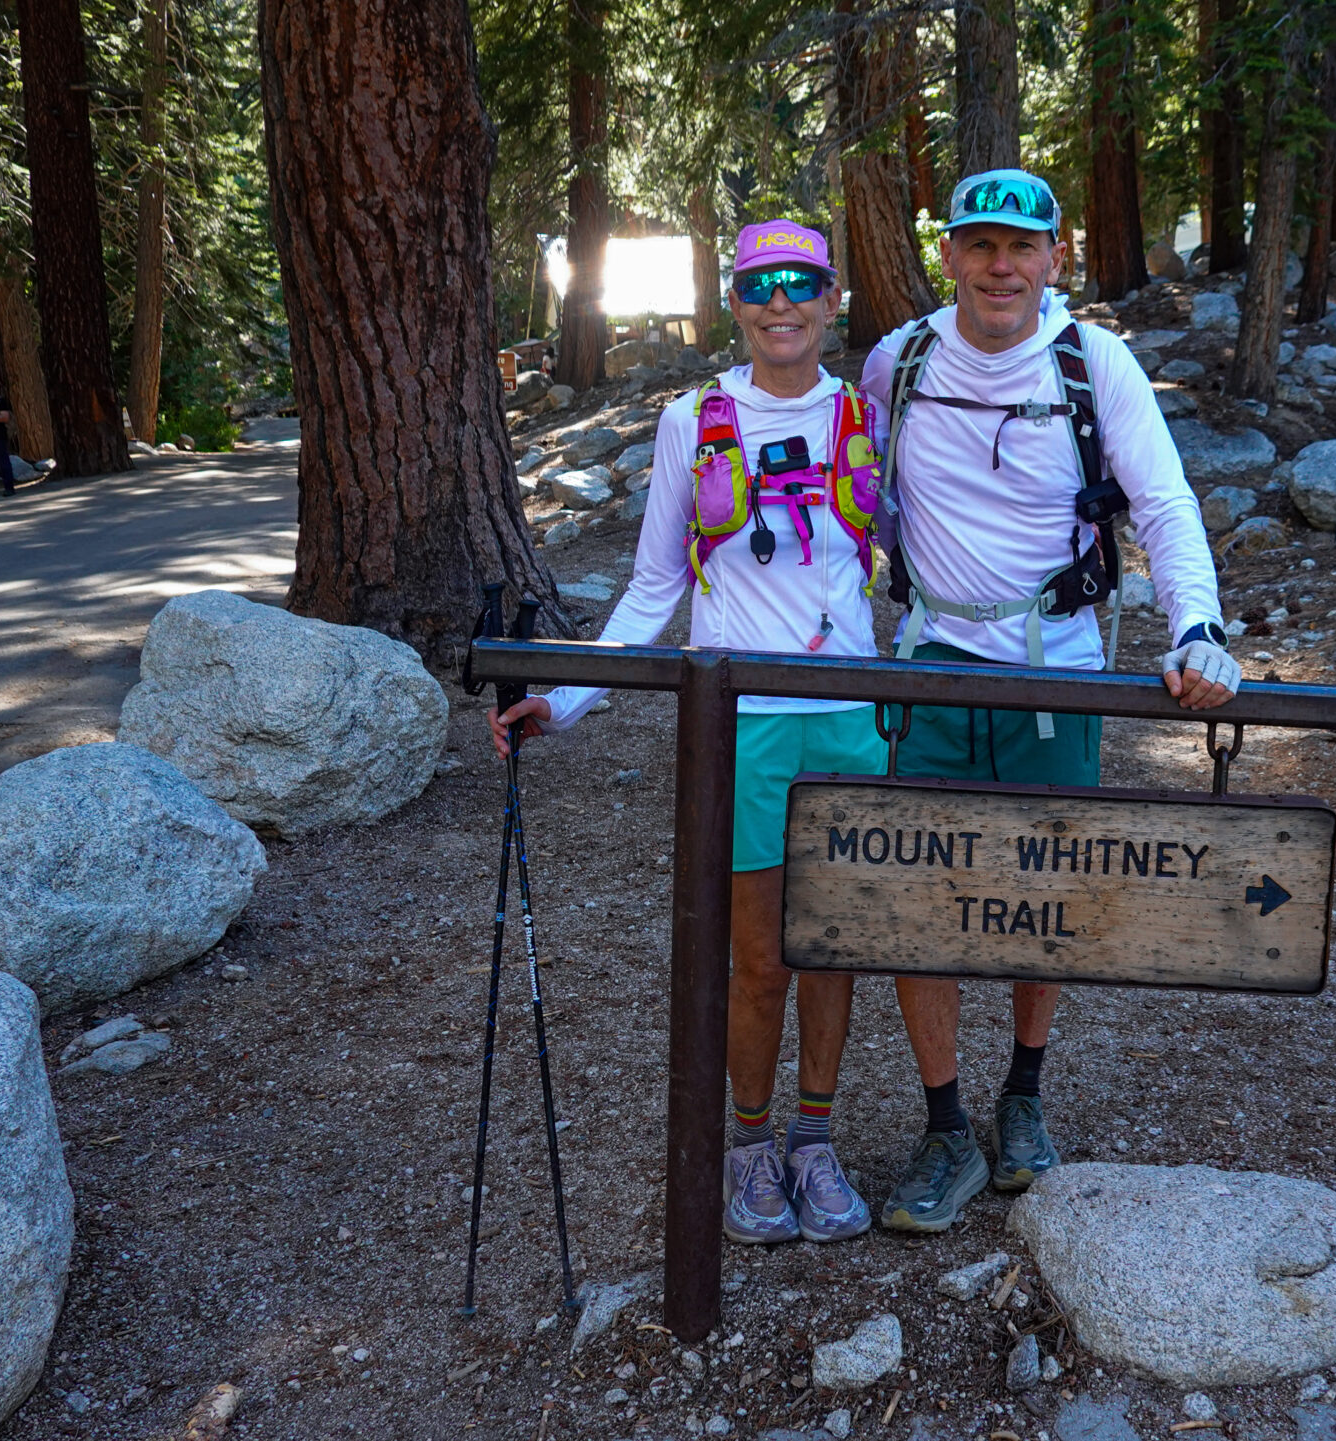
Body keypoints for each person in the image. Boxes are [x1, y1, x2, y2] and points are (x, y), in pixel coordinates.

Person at [859, 168, 1240, 1233]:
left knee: (1049, 892)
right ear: (948, 256)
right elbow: (863, 503)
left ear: (1054, 260)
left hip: (1056, 664)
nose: (999, 266)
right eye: (979, 245)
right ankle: (944, 1123)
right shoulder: (901, 360)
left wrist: (1197, 628)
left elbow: (1162, 501)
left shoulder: (1091, 361)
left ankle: (1022, 1094)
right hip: (927, 659)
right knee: (912, 902)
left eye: (1021, 247)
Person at [492, 219, 883, 1246]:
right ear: (736, 303)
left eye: (801, 283)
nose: (781, 302)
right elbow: (657, 581)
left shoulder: (866, 411)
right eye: (760, 284)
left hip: (849, 720)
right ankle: (748, 1143)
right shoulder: (693, 420)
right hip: (741, 726)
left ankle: (814, 1139)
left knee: (835, 946)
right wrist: (567, 698)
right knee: (759, 958)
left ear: (832, 298)